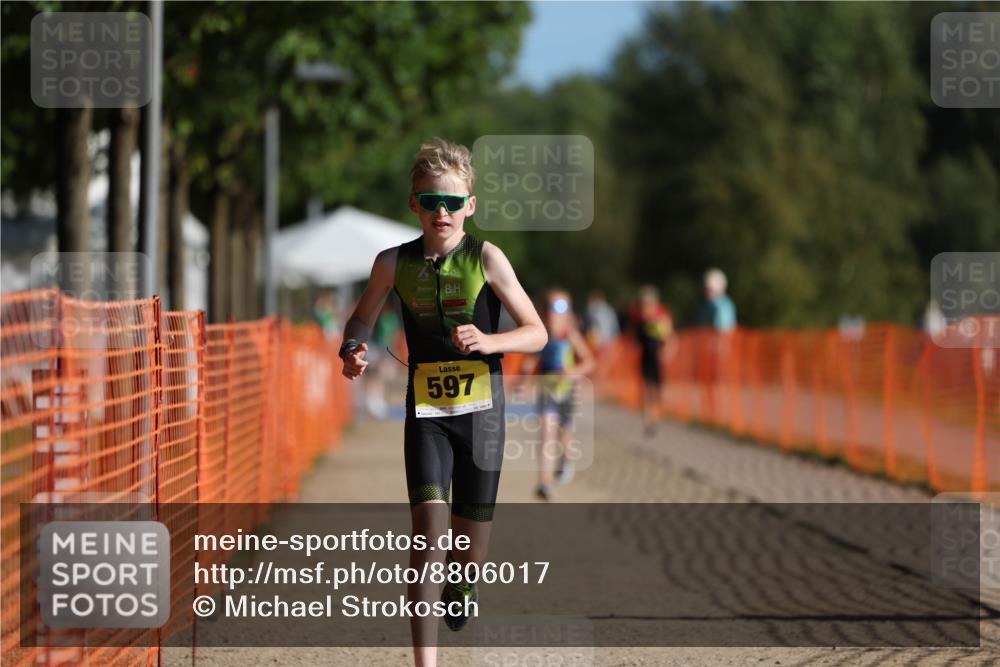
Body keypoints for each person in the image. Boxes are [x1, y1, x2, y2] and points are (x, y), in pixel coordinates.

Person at [339, 138, 547, 667]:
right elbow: (361, 318)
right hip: (426, 417)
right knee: (428, 538)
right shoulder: (393, 263)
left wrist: (491, 342)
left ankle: (466, 582)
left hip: (482, 418)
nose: (442, 212)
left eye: (453, 203)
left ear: (470, 206)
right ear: (414, 204)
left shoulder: (487, 258)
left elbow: (537, 332)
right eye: (431, 201)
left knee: (466, 553)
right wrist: (352, 347)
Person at [523, 289, 596, 500]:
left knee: (564, 434)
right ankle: (544, 483)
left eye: (562, 307)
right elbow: (531, 360)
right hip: (546, 388)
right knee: (546, 434)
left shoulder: (570, 334)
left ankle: (566, 460)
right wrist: (523, 379)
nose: (557, 313)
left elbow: (590, 361)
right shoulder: (541, 333)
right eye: (553, 307)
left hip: (566, 390)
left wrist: (573, 372)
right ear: (545, 311)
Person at [630, 285, 675, 436]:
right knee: (647, 390)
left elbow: (671, 339)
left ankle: (656, 416)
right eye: (644, 303)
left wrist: (667, 353)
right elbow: (634, 340)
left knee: (657, 391)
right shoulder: (639, 321)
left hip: (658, 360)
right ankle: (650, 420)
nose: (646, 307)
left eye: (649, 303)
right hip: (645, 359)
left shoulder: (661, 319)